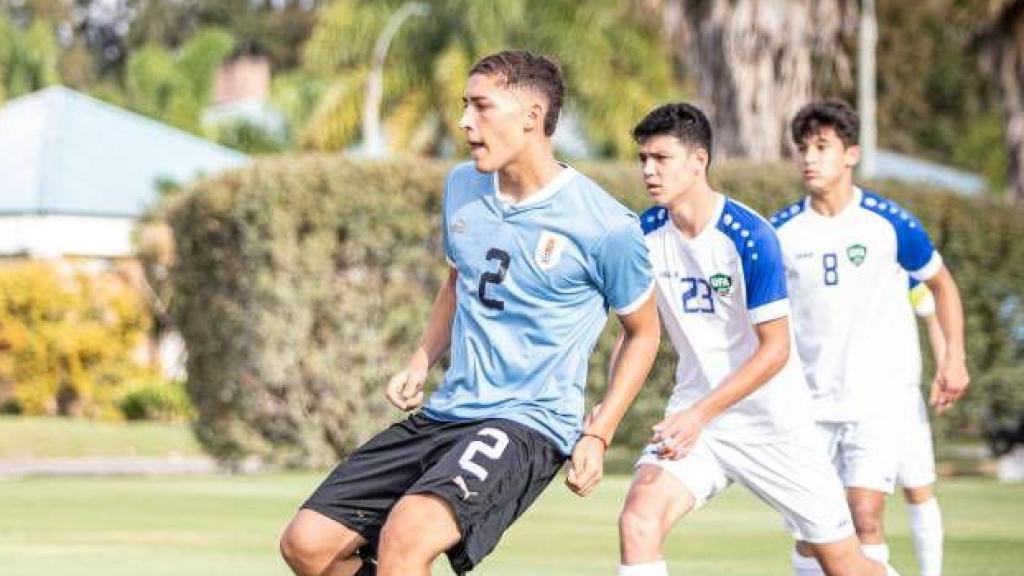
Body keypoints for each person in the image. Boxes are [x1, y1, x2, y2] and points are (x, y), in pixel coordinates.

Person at [278, 50, 661, 576]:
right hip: (447, 411)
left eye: (481, 107)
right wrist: (420, 359)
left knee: (406, 538)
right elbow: (457, 282)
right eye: (464, 106)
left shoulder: (606, 227)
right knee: (307, 544)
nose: (464, 121)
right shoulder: (462, 186)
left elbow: (643, 333)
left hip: (528, 422)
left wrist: (599, 433)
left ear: (531, 116)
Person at [615, 102, 896, 576]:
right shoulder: (642, 235)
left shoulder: (750, 236)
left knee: (844, 563)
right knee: (638, 521)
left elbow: (776, 350)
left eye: (660, 158)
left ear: (698, 161)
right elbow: (635, 331)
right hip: (697, 426)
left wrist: (699, 413)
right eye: (643, 159)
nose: (648, 170)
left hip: (774, 427)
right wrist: (604, 422)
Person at [770, 99, 969, 575]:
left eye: (822, 147)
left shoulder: (889, 223)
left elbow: (942, 285)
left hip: (874, 403)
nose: (810, 158)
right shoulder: (779, 232)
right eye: (803, 148)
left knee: (865, 517)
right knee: (809, 536)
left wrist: (954, 358)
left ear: (851, 154)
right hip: (807, 406)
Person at [897, 280, 946, 576]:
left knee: (918, 490)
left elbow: (932, 314)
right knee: (857, 508)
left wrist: (945, 364)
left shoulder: (901, 263)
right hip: (835, 400)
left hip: (902, 398)